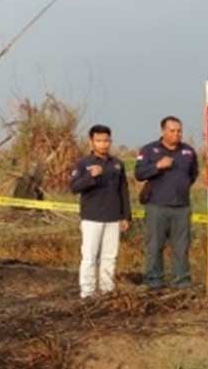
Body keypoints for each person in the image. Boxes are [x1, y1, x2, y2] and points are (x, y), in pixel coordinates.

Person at [134, 116, 199, 289]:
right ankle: (154, 281)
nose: (176, 134)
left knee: (181, 247)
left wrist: (180, 187)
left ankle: (182, 282)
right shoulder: (149, 150)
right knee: (155, 246)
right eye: (172, 131)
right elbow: (139, 174)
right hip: (157, 206)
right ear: (163, 131)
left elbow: (193, 175)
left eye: (179, 131)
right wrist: (157, 166)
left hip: (181, 207)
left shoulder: (188, 151)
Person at [69, 124, 132, 299]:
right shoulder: (83, 163)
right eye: (99, 141)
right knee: (89, 256)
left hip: (113, 217)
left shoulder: (117, 164)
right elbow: (74, 187)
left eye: (106, 140)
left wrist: (126, 216)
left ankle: (107, 290)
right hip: (92, 217)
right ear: (91, 142)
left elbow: (123, 191)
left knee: (110, 257)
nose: (103, 144)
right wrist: (90, 177)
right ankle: (88, 292)